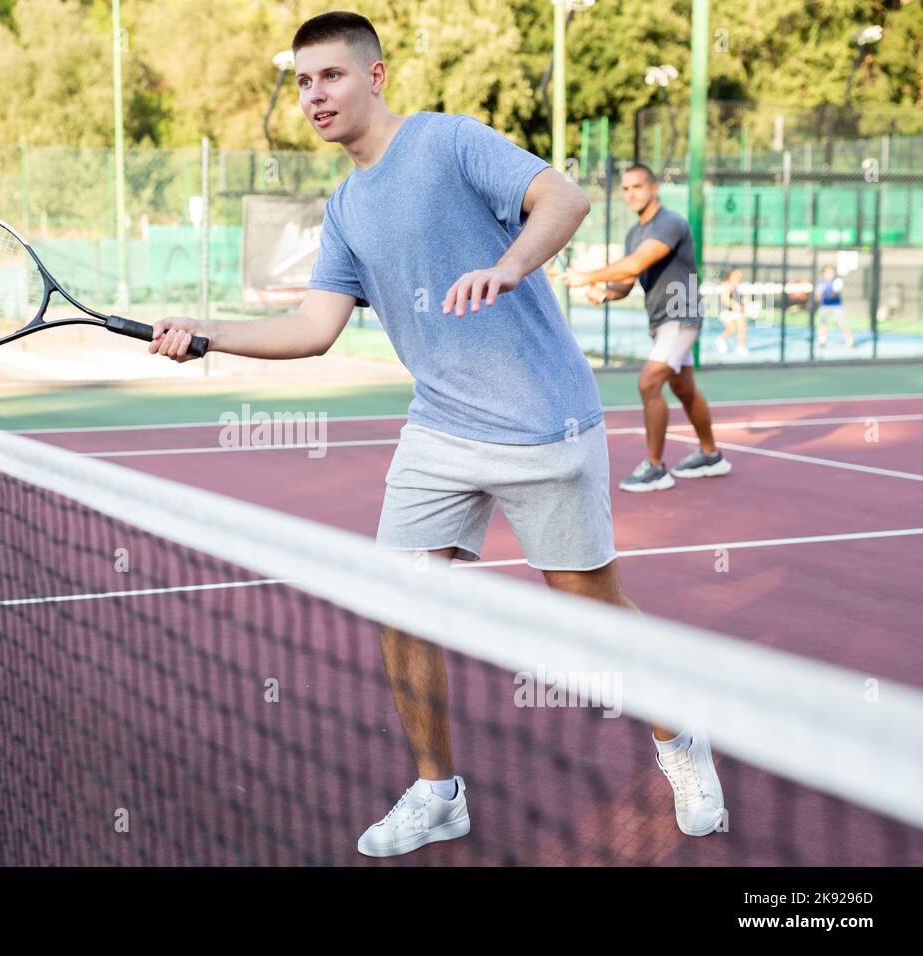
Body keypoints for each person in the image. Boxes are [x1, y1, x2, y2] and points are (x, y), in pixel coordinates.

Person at [148, 11, 724, 858]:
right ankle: (436, 790)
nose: (315, 95)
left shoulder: (449, 143)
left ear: (374, 77)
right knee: (400, 600)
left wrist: (510, 264)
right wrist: (207, 333)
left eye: (332, 76)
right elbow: (313, 328)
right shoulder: (345, 207)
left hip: (540, 421)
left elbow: (565, 196)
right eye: (303, 81)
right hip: (441, 427)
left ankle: (681, 738)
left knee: (588, 615)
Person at [564, 164, 731, 492]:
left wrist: (585, 274)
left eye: (637, 187)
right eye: (625, 189)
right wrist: (606, 292)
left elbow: (638, 262)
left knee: (649, 383)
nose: (631, 194)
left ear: (654, 188)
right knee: (684, 389)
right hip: (662, 321)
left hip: (681, 315)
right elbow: (627, 281)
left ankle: (655, 468)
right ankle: (711, 454)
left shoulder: (669, 223)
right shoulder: (634, 233)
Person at [817, 264, 854, 351]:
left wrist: (825, 293)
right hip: (824, 305)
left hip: (836, 306)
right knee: (823, 323)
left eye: (831, 271)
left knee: (844, 324)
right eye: (827, 271)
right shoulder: (820, 281)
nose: (829, 273)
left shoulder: (837, 281)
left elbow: (833, 294)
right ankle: (822, 341)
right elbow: (818, 296)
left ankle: (850, 342)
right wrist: (820, 295)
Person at [715, 266, 748, 356]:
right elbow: (724, 299)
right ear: (731, 274)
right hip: (726, 312)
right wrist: (735, 305)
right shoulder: (726, 285)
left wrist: (744, 306)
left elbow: (743, 298)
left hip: (736, 312)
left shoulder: (738, 286)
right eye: (736, 273)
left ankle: (740, 347)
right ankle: (721, 340)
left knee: (743, 327)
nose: (739, 275)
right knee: (732, 329)